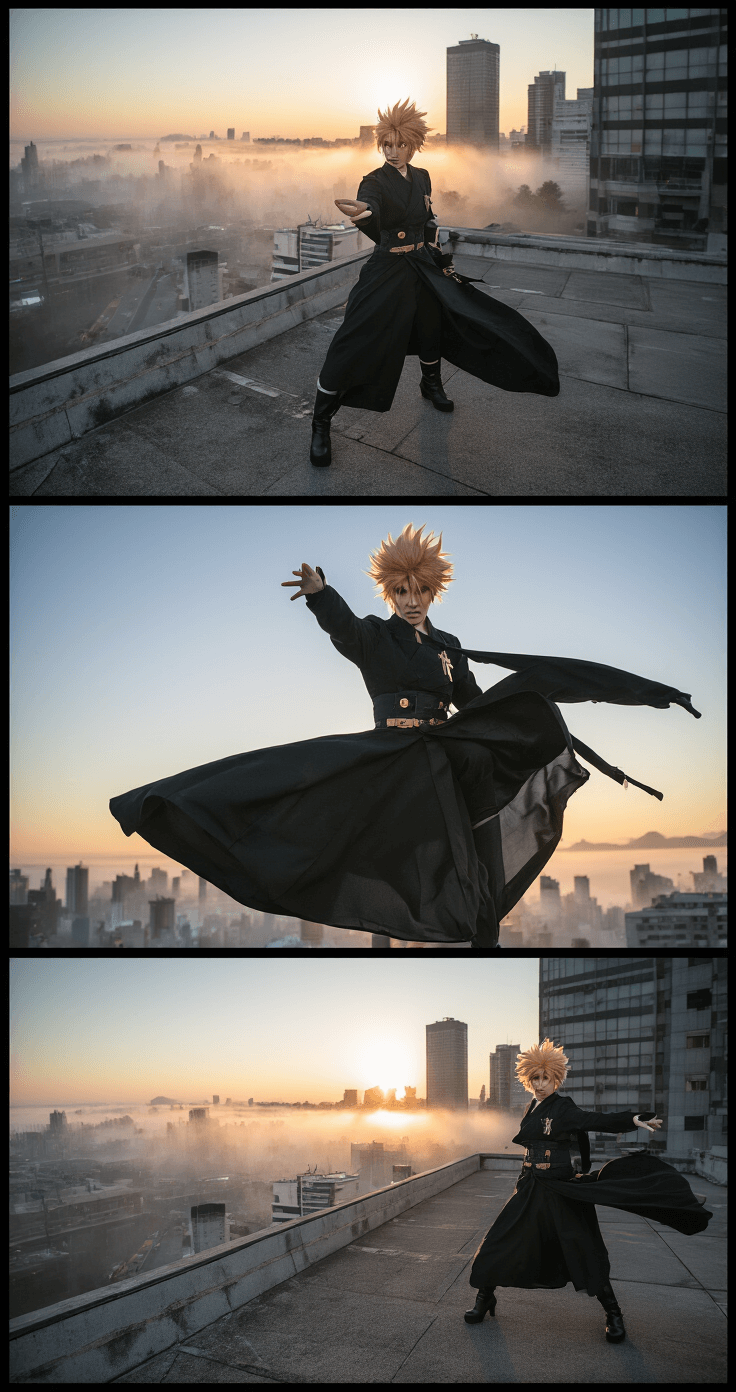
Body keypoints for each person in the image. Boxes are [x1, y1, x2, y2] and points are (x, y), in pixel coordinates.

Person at [109, 523, 700, 950]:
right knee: (315, 804)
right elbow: (342, 628)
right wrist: (320, 593)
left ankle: (480, 931)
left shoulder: (449, 649)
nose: (411, 602)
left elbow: (479, 705)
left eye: (420, 592)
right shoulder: (374, 637)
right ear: (388, 592)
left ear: (432, 591)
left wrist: (543, 708)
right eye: (400, 592)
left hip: (449, 758)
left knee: (478, 848)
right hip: (393, 758)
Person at [309, 98, 561, 465]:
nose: (394, 152)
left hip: (423, 265)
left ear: (414, 144)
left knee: (432, 327)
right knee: (354, 339)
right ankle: (320, 423)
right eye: (387, 145)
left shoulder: (423, 175)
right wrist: (366, 213)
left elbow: (428, 216)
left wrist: (433, 244)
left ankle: (430, 384)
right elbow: (372, 204)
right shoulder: (374, 181)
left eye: (401, 145)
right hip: (387, 269)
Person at [465, 1040, 712, 1341]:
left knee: (582, 1250)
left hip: (559, 1190)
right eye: (535, 1079)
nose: (540, 1084)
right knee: (499, 1241)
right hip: (529, 1187)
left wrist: (631, 1120)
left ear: (556, 1079)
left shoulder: (564, 1107)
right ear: (528, 1080)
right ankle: (484, 1298)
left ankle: (614, 1314)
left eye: (545, 1078)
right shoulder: (532, 1106)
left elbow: (593, 1120)